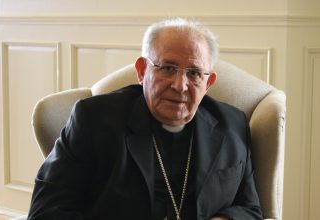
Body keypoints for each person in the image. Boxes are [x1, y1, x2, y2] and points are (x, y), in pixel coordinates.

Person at [28, 18, 263, 220]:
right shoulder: (93, 120)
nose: (180, 86)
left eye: (194, 73)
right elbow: (46, 211)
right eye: (168, 68)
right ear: (142, 71)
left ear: (208, 83)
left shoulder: (233, 124)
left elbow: (251, 209)